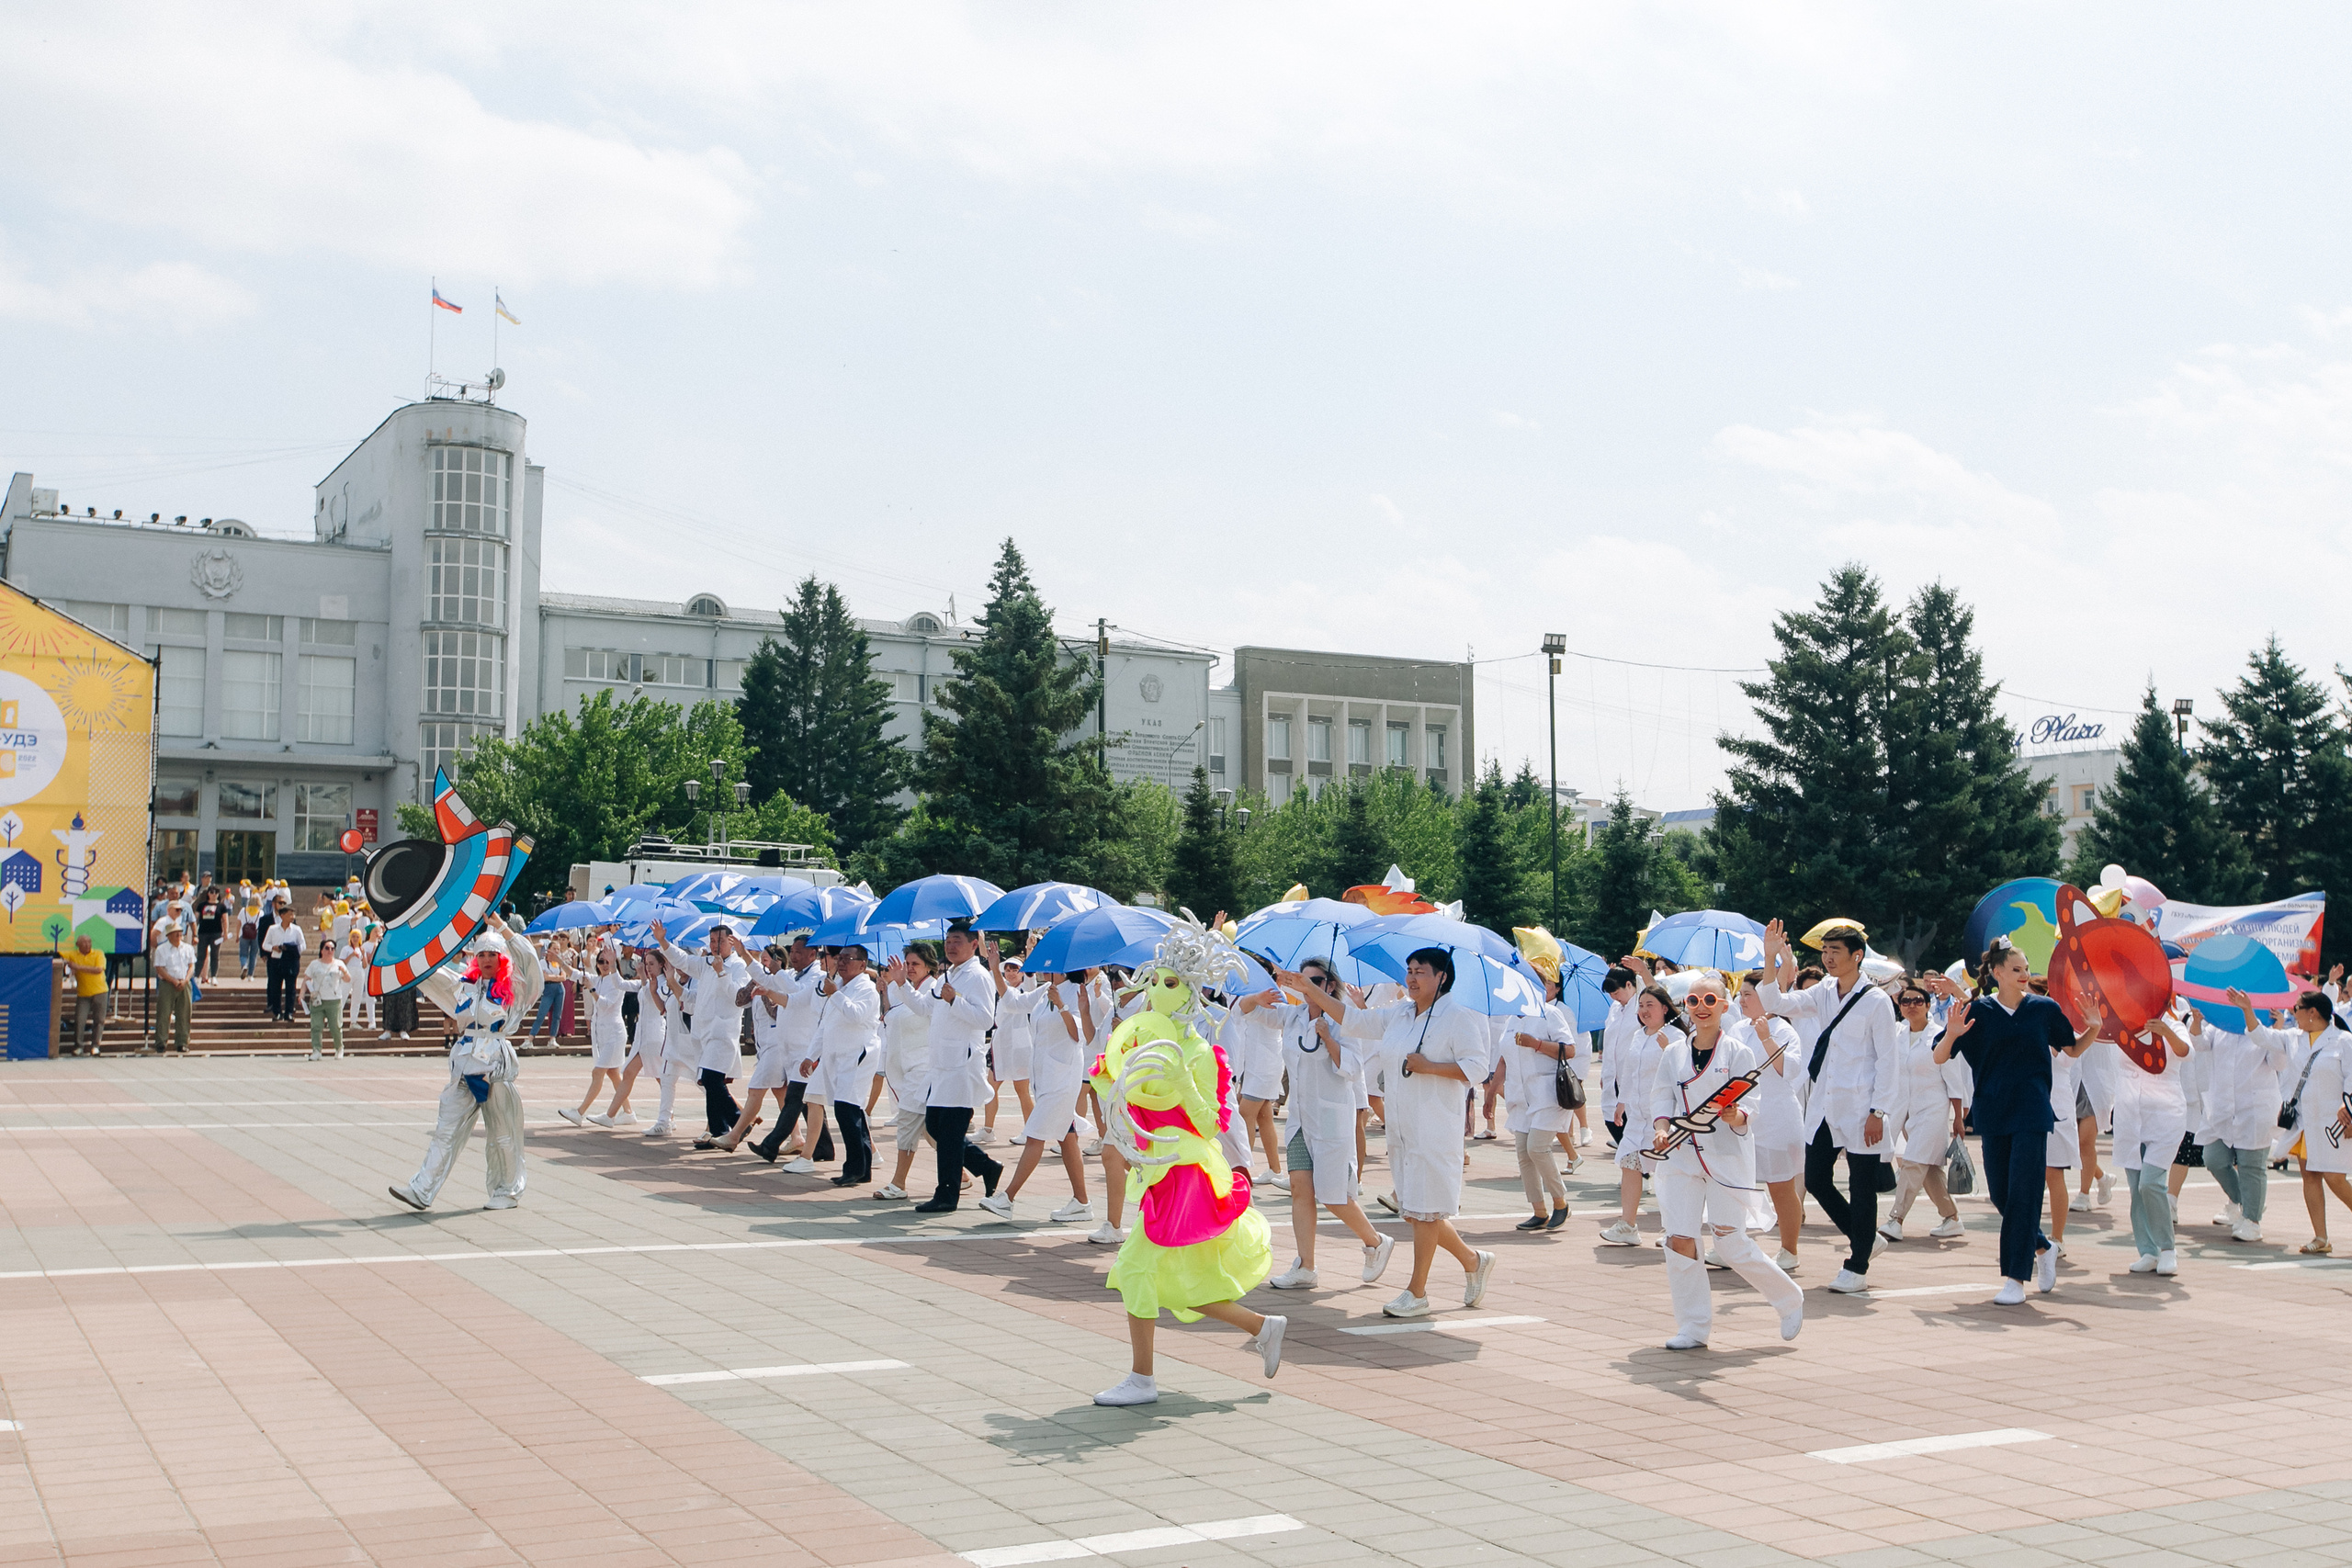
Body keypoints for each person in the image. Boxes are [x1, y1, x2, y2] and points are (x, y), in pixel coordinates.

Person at [1091, 920, 1282, 1407]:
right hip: (1157, 1167)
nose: (1156, 991)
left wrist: (1182, 1083)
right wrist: (1112, 1074)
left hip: (1186, 1171)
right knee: (1176, 1280)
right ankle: (1261, 1327)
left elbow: (1213, 1124)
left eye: (1170, 983)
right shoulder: (1140, 1040)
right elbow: (1119, 1097)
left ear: (1192, 991)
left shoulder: (1201, 1051)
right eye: (1153, 980)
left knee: (1136, 1270)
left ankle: (1142, 1379)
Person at [1331, 947, 1498, 1319]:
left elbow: (1476, 1068)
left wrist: (1430, 1066)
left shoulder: (1459, 1015)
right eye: (1409, 970)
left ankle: (1417, 1291)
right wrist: (1311, 992)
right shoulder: (1402, 1013)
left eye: (1420, 971)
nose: (1411, 977)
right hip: (1402, 1127)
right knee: (1417, 1211)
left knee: (1424, 1212)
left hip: (1435, 1128)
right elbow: (1355, 1022)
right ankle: (1473, 1260)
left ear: (1442, 976)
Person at [1932, 938, 2100, 1303]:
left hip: (2032, 1111)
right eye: (2017, 970)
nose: (2025, 975)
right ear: (1996, 974)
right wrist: (1952, 1033)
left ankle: (2014, 1279)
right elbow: (1939, 1057)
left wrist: (2095, 1028)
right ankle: (2043, 1247)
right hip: (1992, 1113)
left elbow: (2070, 1049)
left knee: (2024, 1193)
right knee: (2001, 1195)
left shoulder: (2044, 1009)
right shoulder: (1976, 1010)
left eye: (2026, 969)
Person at [1646, 970, 1804, 1349]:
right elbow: (1662, 1096)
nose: (1701, 1008)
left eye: (1710, 1001)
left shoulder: (1739, 1051)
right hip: (1681, 1158)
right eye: (1693, 1001)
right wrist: (1662, 1127)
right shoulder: (1674, 1052)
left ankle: (1789, 1299)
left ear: (1724, 1006)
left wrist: (1737, 1116)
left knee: (1730, 1242)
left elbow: (1751, 1102)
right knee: (1679, 1239)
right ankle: (1693, 1326)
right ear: (1685, 1006)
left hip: (1726, 1158)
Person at [1758, 920, 1900, 1295]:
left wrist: (1879, 1111)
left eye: (1836, 951)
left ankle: (1857, 1265)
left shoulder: (1876, 1001)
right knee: (1818, 1177)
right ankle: (1864, 1235)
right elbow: (1775, 1002)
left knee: (1861, 1185)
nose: (1828, 958)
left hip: (1862, 1106)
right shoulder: (1822, 991)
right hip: (1825, 1104)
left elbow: (1888, 1061)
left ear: (1857, 956)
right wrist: (1771, 957)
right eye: (1825, 951)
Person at [1245, 961, 1395, 1288]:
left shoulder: (1344, 1020)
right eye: (1302, 979)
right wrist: (1256, 997)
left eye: (1314, 979)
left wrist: (1328, 1038)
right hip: (1300, 1119)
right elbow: (1250, 1014)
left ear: (1329, 985)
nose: (1306, 984)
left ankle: (1376, 1242)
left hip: (1331, 1119)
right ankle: (1305, 1266)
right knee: (1300, 1189)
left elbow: (1354, 1069)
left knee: (1334, 1196)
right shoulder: (1293, 1015)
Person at [388, 922, 534, 1212]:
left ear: (502, 957)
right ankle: (421, 1190)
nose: (487, 960)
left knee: (502, 1133)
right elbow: (430, 974)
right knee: (446, 1129)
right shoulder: (464, 986)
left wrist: (503, 928)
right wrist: (396, 951)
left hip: (496, 1067)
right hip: (466, 1064)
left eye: (493, 954)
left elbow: (531, 966)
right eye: (482, 955)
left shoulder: (514, 989)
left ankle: (506, 1190)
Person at [2233, 987, 2352, 1255]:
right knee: (2309, 1175)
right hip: (2304, 1121)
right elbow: (2262, 1036)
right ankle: (2321, 1238)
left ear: (2313, 1012)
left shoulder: (2343, 1040)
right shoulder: (2292, 1037)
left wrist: (2349, 1105)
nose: (2291, 1012)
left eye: (2296, 1008)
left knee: (2335, 1178)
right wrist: (2247, 1009)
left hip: (2334, 1123)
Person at [978, 964, 1096, 1222]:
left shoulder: (1077, 991)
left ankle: (1007, 1198)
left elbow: (1081, 1035)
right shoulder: (1045, 991)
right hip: (1045, 1078)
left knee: (1035, 1136)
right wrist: (995, 968)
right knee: (1067, 1137)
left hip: (1063, 1079)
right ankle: (1082, 1202)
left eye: (1050, 963)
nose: (1043, 967)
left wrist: (1063, 1006)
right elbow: (1012, 1002)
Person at [910, 922, 1005, 1213]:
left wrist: (955, 1000)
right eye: (948, 940)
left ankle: (947, 1194)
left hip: (962, 1065)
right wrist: (901, 984)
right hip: (942, 1065)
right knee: (936, 1127)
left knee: (948, 1132)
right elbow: (925, 1007)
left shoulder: (977, 976)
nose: (951, 946)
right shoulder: (948, 974)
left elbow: (986, 1019)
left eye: (958, 940)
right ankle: (985, 1166)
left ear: (974, 944)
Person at [1879, 981, 1969, 1244]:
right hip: (1903, 1110)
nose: (1912, 1006)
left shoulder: (1941, 1036)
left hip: (1933, 1109)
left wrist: (1959, 1118)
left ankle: (1896, 1219)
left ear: (1928, 1005)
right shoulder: (1895, 1034)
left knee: (1913, 1161)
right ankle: (1951, 1218)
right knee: (1928, 1167)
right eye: (1906, 1001)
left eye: (1918, 1001)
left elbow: (1954, 1081)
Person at [2196, 994, 2290, 1242]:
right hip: (2222, 1108)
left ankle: (2252, 1221)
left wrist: (2274, 1028)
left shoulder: (2266, 1031)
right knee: (2213, 1158)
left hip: (2254, 1108)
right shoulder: (2220, 1027)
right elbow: (2199, 1044)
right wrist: (2196, 1022)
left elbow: (2279, 1063)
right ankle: (2247, 1203)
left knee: (2251, 1166)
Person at [2110, 1014, 2194, 1274]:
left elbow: (2186, 1052)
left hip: (2165, 1114)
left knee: (2151, 1183)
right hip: (2130, 1114)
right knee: (2137, 1188)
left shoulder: (2175, 1025)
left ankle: (2168, 1250)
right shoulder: (2125, 1023)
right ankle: (2148, 1251)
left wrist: (2166, 1031)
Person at [1501, 965, 1582, 1234]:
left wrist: (1536, 1043)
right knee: (1524, 1154)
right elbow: (1504, 1058)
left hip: (1549, 1092)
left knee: (1537, 1148)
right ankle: (1539, 1211)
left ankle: (1561, 1202)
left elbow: (1569, 1050)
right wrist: (1491, 1093)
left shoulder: (1550, 1013)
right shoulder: (1511, 1018)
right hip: (1520, 1096)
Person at [1734, 976, 1807, 1269]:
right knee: (1734, 1183)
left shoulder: (1784, 1030)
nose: (1742, 1000)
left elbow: (1789, 1070)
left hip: (1777, 1117)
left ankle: (1789, 1250)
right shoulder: (1737, 1029)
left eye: (1748, 995)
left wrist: (1766, 1038)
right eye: (1741, 994)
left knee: (1780, 1187)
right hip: (1742, 1118)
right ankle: (1733, 1241)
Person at [657, 920, 753, 1140]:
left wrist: (722, 973)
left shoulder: (738, 967)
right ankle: (719, 1131)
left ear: (731, 941)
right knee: (708, 1083)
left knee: (711, 1079)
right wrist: (663, 941)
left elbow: (739, 998)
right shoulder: (706, 962)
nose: (714, 945)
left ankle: (738, 1121)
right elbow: (683, 960)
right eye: (711, 941)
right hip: (701, 1031)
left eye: (719, 941)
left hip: (722, 1032)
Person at [1599, 976, 1677, 1246]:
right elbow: (1630, 1074)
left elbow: (1684, 1074)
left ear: (1665, 1007)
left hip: (1664, 1118)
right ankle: (1628, 1225)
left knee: (1667, 1175)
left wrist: (1670, 1050)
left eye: (1650, 1004)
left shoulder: (1675, 1035)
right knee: (1629, 1164)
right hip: (1637, 1115)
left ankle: (1673, 1229)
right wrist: (1621, 1103)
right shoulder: (1637, 1035)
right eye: (1641, 1005)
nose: (1644, 1010)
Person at [709, 943, 796, 1151]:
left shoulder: (785, 981)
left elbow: (778, 1012)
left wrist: (766, 992)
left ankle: (734, 1134)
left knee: (755, 1090)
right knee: (780, 1092)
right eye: (761, 961)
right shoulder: (760, 978)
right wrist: (751, 984)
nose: (762, 965)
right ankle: (797, 1136)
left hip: (777, 1044)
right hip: (764, 1045)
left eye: (766, 961)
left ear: (779, 962)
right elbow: (739, 1000)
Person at [876, 942, 943, 1200]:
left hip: (923, 1067)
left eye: (915, 964)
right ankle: (967, 1170)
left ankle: (898, 1183)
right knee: (928, 1129)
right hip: (904, 1067)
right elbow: (891, 1016)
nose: (910, 968)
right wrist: (886, 991)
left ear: (929, 965)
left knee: (907, 1123)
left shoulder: (934, 988)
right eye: (907, 964)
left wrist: (900, 985)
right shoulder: (900, 987)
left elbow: (921, 1011)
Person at [810, 944, 882, 1187]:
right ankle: (863, 1168)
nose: (841, 963)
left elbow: (856, 1015)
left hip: (857, 1056)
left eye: (847, 959)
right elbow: (825, 1024)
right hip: (838, 1056)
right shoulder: (839, 987)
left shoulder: (866, 989)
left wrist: (835, 995)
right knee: (851, 1112)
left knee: (846, 1110)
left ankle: (853, 1168)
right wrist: (811, 1055)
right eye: (839, 958)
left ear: (862, 964)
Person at [559, 946, 639, 1126]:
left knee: (598, 1072)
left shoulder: (616, 982)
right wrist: (560, 961)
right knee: (613, 1074)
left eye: (608, 962)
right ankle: (628, 1112)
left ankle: (579, 1112)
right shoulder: (597, 979)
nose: (604, 965)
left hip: (615, 1034)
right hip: (602, 1034)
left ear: (614, 963)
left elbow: (605, 1005)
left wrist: (592, 989)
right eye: (601, 961)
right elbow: (575, 974)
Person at [300, 935, 352, 1060]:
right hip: (317, 1000)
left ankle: (339, 1048)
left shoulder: (339, 963)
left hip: (333, 1000)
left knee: (335, 1026)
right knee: (316, 1026)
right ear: (322, 950)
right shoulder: (314, 964)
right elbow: (306, 979)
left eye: (332, 949)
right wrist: (302, 994)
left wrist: (344, 972)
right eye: (327, 948)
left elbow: (347, 979)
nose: (330, 951)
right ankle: (316, 1050)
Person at [153, 921, 196, 1053]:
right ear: (169, 936)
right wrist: (173, 981)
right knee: (164, 1013)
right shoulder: (162, 949)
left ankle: (182, 1042)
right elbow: (159, 968)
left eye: (180, 934)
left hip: (184, 982)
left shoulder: (188, 948)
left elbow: (191, 965)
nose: (179, 936)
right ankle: (161, 1042)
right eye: (176, 934)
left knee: (184, 1013)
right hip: (168, 983)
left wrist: (186, 980)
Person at [260, 898, 304, 1022]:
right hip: (276, 961)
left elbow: (302, 945)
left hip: (290, 961)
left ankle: (289, 1012)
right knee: (275, 988)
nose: (292, 917)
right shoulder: (273, 929)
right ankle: (277, 1012)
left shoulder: (296, 929)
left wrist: (292, 950)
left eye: (293, 914)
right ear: (282, 915)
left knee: (291, 988)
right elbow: (265, 944)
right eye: (290, 914)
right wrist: (274, 948)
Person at [64, 934, 107, 1055]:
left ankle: (95, 1046)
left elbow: (99, 969)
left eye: (89, 942)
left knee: (99, 1020)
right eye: (84, 943)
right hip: (83, 993)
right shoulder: (73, 955)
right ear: (78, 945)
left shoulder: (98, 953)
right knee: (80, 1019)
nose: (87, 945)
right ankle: (78, 1046)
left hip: (100, 991)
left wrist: (78, 967)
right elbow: (61, 954)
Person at [194, 878, 225, 981]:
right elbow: (196, 918)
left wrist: (225, 931)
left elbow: (225, 919)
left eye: (216, 892)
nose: (214, 894)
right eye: (212, 892)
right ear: (208, 893)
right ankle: (196, 976)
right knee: (201, 955)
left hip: (216, 932)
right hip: (203, 932)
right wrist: (194, 932)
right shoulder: (202, 905)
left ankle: (213, 976)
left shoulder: (221, 906)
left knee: (215, 955)